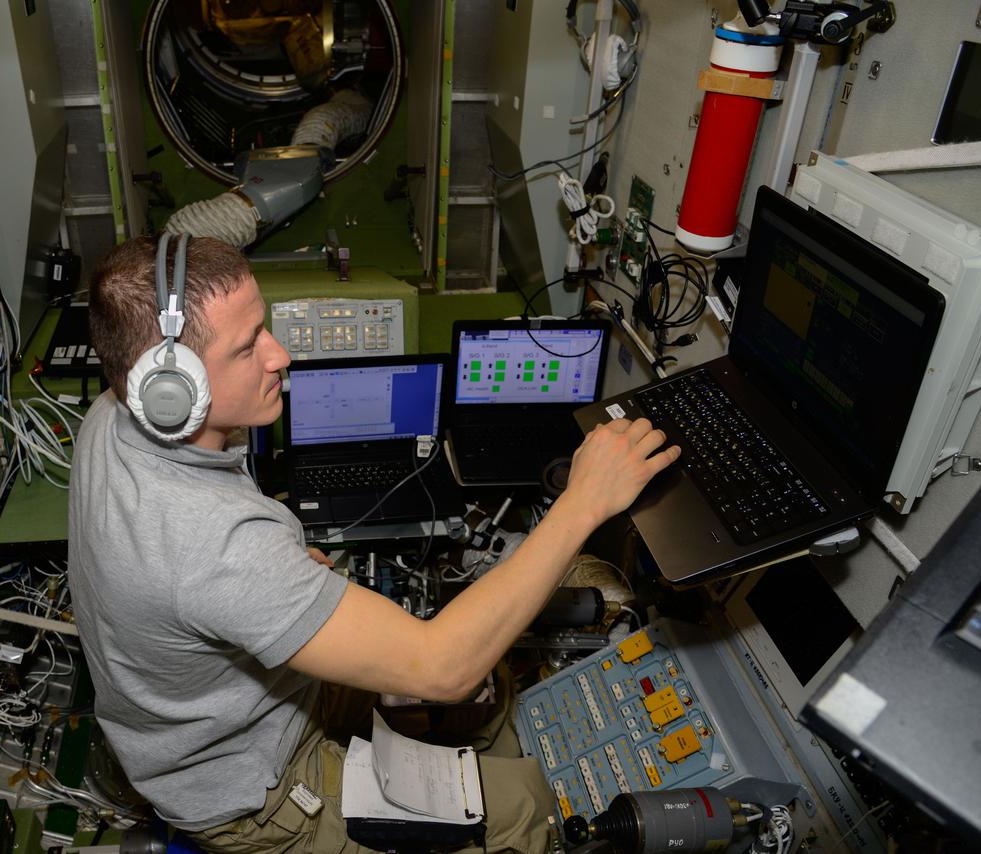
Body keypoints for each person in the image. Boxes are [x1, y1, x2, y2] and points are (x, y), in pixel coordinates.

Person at [68, 234, 680, 853]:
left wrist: (266, 585)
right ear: (171, 387)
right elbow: (443, 667)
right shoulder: (215, 546)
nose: (281, 356)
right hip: (262, 792)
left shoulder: (111, 418)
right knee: (530, 811)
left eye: (265, 328)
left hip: (258, 700)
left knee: (489, 688)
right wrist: (583, 503)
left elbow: (198, 572)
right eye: (248, 346)